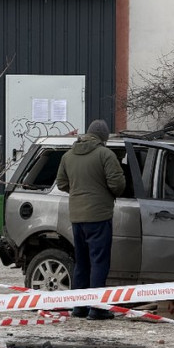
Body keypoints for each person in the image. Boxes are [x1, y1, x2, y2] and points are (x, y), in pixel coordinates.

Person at [56, 119, 126, 320]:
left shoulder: (69, 155)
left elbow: (61, 183)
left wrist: (78, 192)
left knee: (82, 262)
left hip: (77, 217)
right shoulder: (105, 154)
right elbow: (117, 185)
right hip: (99, 216)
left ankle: (79, 307)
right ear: (103, 137)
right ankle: (97, 309)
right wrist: (101, 193)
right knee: (99, 262)